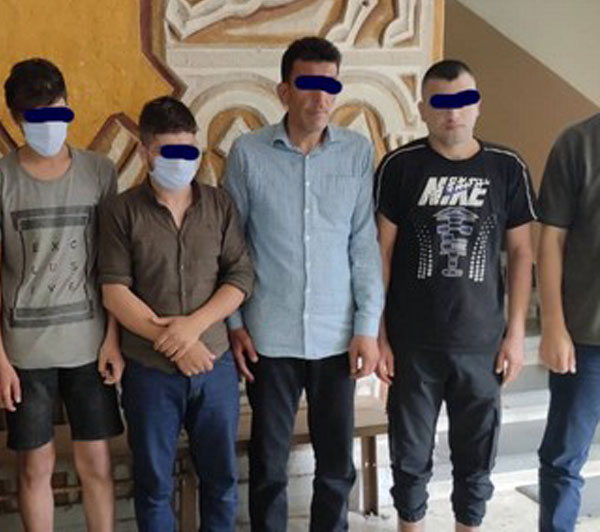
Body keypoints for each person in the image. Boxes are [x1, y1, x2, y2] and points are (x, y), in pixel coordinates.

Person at [223, 36, 383, 531]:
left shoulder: (357, 152)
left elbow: (364, 244)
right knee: (269, 463)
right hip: (269, 335)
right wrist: (234, 322)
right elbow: (232, 245)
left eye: (329, 86)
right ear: (284, 90)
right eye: (308, 84)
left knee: (336, 464)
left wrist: (367, 327)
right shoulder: (248, 153)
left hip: (338, 336)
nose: (320, 97)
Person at [374, 59, 536, 531]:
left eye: (463, 101)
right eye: (441, 103)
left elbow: (521, 252)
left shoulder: (507, 167)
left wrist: (516, 334)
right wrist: (379, 334)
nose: (453, 113)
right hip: (412, 345)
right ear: (422, 108)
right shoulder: (400, 166)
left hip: (481, 344)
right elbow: (380, 253)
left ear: (478, 105)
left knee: (476, 460)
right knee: (409, 460)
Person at [99, 95, 253, 531]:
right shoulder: (121, 211)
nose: (182, 161)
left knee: (221, 479)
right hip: (149, 372)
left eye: (189, 151)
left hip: (214, 365)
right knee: (153, 485)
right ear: (146, 151)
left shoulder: (220, 205)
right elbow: (114, 291)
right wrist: (175, 344)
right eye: (169, 152)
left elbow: (240, 275)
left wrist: (193, 329)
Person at [0, 58, 124, 532]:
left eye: (55, 111)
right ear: (15, 117)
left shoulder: (100, 172)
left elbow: (114, 265)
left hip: (90, 346)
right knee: (33, 467)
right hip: (23, 352)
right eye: (34, 116)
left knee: (98, 463)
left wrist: (113, 338)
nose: (47, 124)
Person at [536, 112, 600, 532]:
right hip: (585, 338)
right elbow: (551, 240)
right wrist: (553, 325)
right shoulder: (578, 143)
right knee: (563, 458)